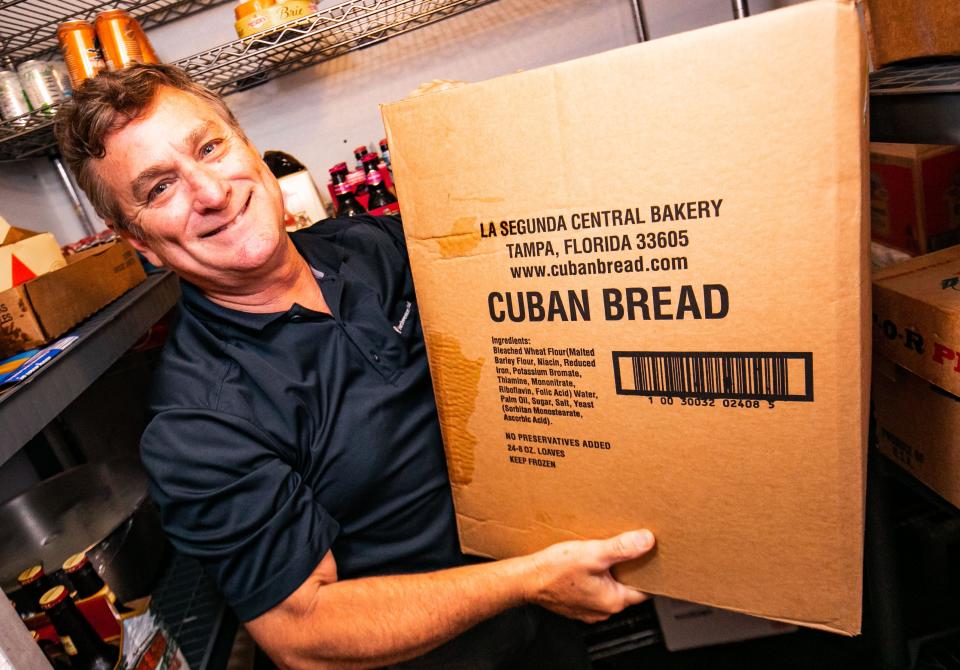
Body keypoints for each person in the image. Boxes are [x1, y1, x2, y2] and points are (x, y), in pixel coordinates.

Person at [54, 63, 656, 669]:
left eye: (210, 148)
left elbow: (533, 255)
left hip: (551, 627)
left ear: (250, 146)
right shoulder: (198, 423)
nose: (211, 194)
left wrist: (478, 134)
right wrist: (526, 580)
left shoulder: (369, 247)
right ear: (140, 241)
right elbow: (303, 634)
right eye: (160, 188)